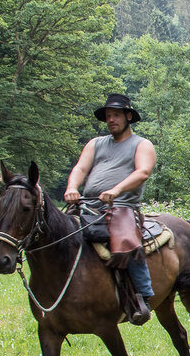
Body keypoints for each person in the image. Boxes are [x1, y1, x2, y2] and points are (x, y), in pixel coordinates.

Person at [65, 93, 156, 325]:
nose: (111, 120)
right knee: (57, 233)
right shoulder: (95, 143)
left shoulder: (142, 144)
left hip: (121, 206)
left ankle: (143, 298)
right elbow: (80, 168)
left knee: (126, 241)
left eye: (116, 115)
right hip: (87, 205)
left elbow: (143, 172)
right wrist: (72, 187)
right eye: (108, 116)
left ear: (128, 117)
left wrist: (116, 191)